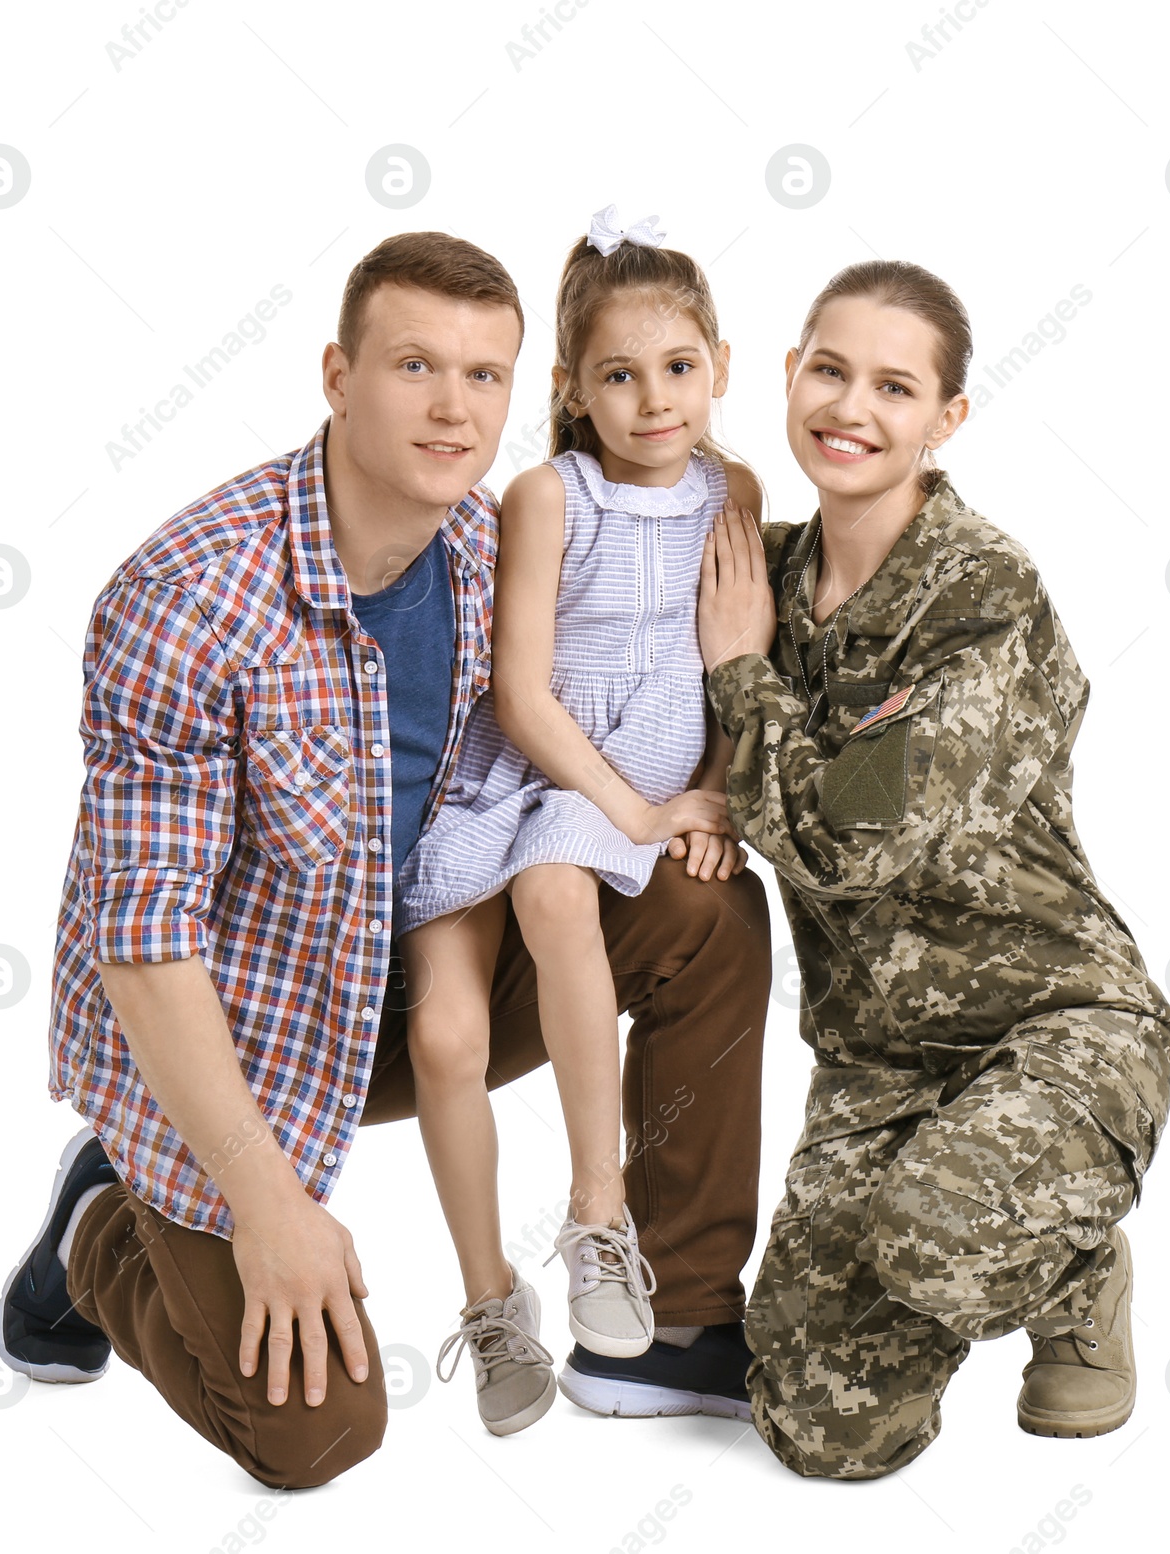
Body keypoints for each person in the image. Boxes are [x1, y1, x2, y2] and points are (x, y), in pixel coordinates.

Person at [0, 229, 770, 1491]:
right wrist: (266, 1203)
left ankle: (667, 1321)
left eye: (483, 375)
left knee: (704, 903)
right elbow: (142, 944)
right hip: (242, 1039)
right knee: (313, 1434)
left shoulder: (489, 544)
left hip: (411, 978)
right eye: (415, 366)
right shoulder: (187, 596)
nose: (453, 408)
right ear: (337, 376)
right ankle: (99, 1225)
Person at [696, 259, 1170, 1478]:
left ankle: (1071, 1259)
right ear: (790, 373)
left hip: (1054, 1025)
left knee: (937, 1234)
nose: (850, 407)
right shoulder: (763, 570)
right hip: (879, 1061)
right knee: (819, 1433)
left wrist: (741, 681)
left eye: (893, 386)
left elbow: (853, 838)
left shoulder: (980, 591)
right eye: (828, 369)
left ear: (944, 419)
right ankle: (976, 1218)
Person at [394, 208, 763, 1436]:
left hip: (645, 795)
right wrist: (637, 808)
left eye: (677, 368)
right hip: (538, 779)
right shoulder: (553, 496)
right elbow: (521, 692)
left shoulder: (735, 490)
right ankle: (491, 1299)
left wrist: (709, 795)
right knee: (445, 1037)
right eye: (617, 374)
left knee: (568, 898)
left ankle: (599, 1215)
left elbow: (734, 655)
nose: (653, 400)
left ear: (718, 363)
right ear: (570, 389)